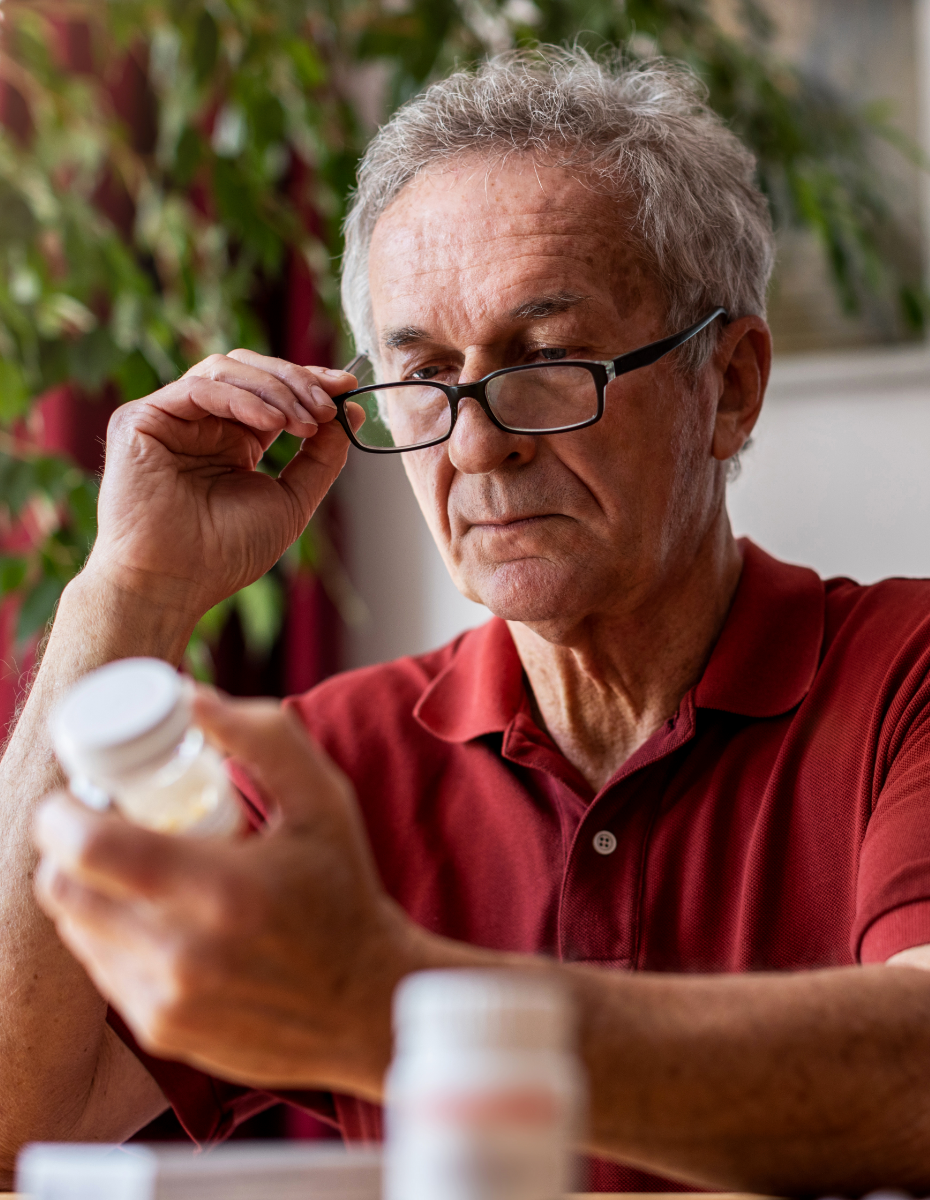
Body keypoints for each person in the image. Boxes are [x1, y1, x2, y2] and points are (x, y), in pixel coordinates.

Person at [4, 46, 930, 1195]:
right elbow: (12, 1110)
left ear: (728, 386)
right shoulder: (324, 769)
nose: (478, 443)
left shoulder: (906, 679)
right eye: (427, 376)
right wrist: (128, 587)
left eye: (546, 358)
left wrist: (384, 1001)